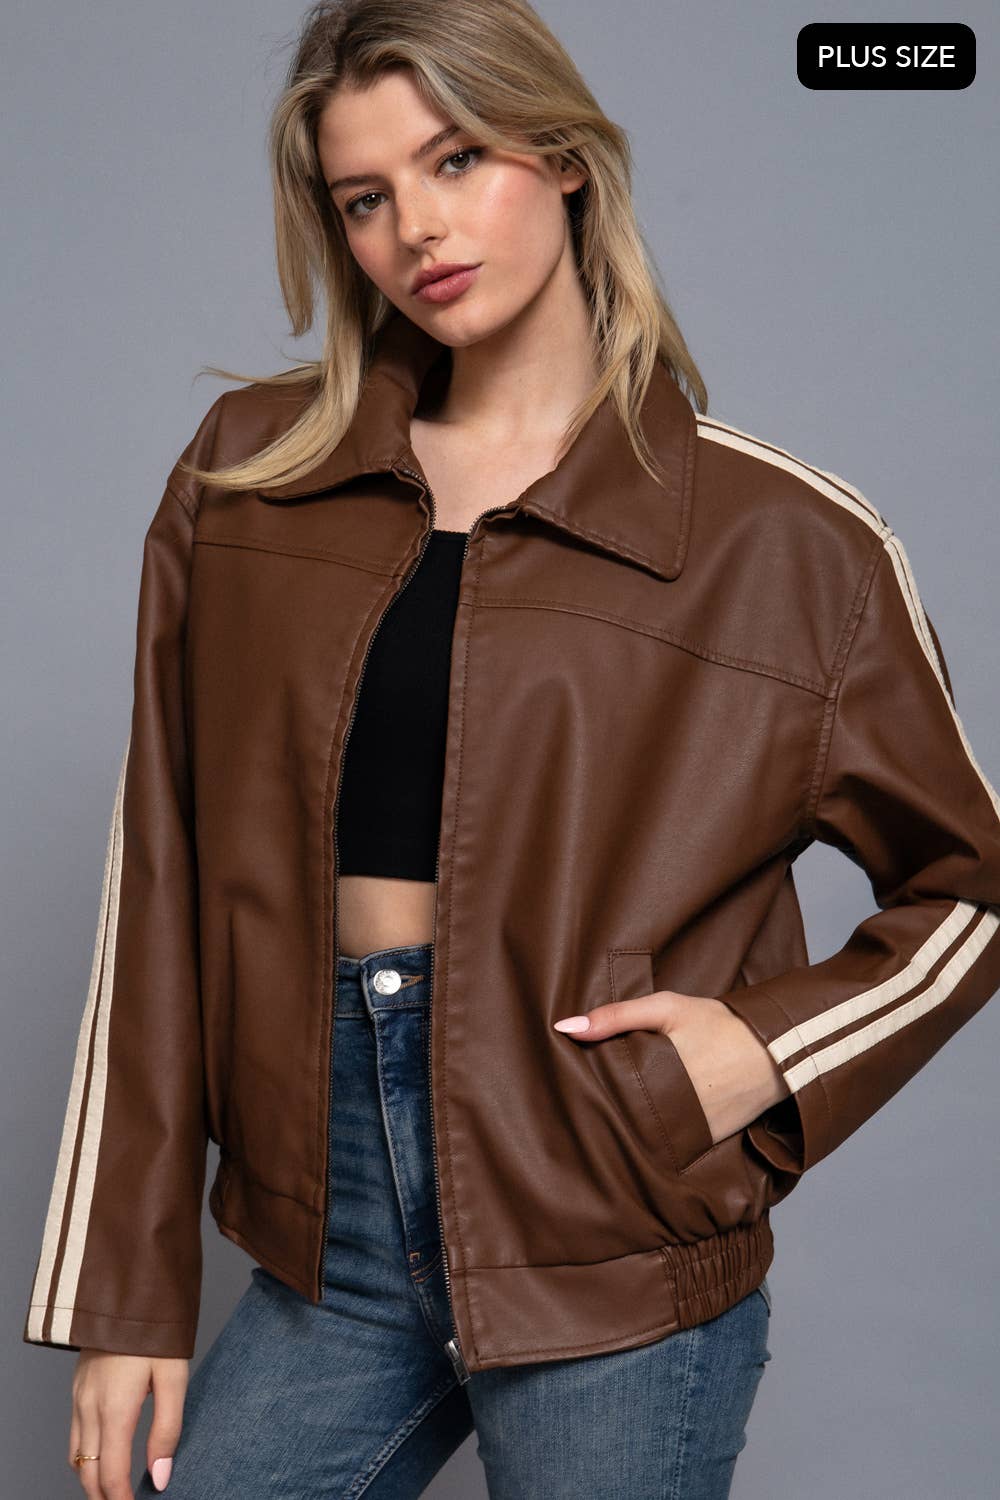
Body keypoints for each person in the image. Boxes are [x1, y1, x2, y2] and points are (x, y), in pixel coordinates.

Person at [23, 1, 1000, 1497]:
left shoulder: (788, 544)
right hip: (329, 1225)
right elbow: (155, 890)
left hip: (608, 1221)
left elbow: (972, 884)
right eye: (364, 197)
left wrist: (763, 1052)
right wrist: (125, 1296)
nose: (416, 227)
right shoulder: (250, 480)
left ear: (562, 157)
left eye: (456, 159)